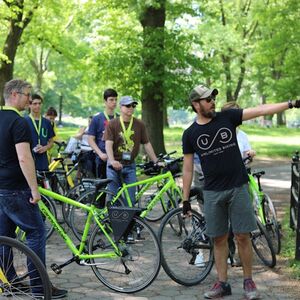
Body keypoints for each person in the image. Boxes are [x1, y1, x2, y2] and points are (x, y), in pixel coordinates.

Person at [181, 84, 300, 300]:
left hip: (238, 187)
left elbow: (261, 110)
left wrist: (291, 104)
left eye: (213, 98)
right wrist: (185, 199)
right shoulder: (190, 134)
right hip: (213, 192)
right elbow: (187, 168)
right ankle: (222, 283)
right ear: (196, 104)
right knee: (218, 239)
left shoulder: (227, 117)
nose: (212, 102)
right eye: (207, 100)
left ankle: (248, 280)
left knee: (242, 236)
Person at [0, 79, 67, 298]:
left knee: (4, 237)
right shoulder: (19, 122)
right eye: (28, 95)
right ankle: (40, 288)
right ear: (14, 95)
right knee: (36, 232)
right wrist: (34, 189)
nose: (30, 99)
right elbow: (23, 157)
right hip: (18, 189)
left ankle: (9, 282)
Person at [104, 95, 158, 205]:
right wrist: (112, 160)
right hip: (113, 166)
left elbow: (147, 144)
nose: (131, 108)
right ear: (121, 107)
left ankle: (127, 220)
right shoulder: (112, 124)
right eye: (128, 105)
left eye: (133, 105)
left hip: (130, 166)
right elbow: (108, 144)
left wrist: (156, 161)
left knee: (131, 200)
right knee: (114, 199)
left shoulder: (139, 124)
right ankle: (112, 220)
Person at [88, 88, 118, 178]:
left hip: (117, 158)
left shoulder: (120, 118)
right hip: (102, 158)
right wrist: (100, 154)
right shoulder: (96, 118)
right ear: (105, 101)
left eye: (116, 99)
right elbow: (90, 139)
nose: (114, 102)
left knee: (118, 189)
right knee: (102, 189)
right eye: (111, 100)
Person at [25, 94, 55, 171]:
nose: (38, 106)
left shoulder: (47, 122)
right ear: (29, 105)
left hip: (43, 161)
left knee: (44, 182)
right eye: (35, 104)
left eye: (39, 103)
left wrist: (45, 148)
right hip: (28, 159)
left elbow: (51, 142)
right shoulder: (23, 121)